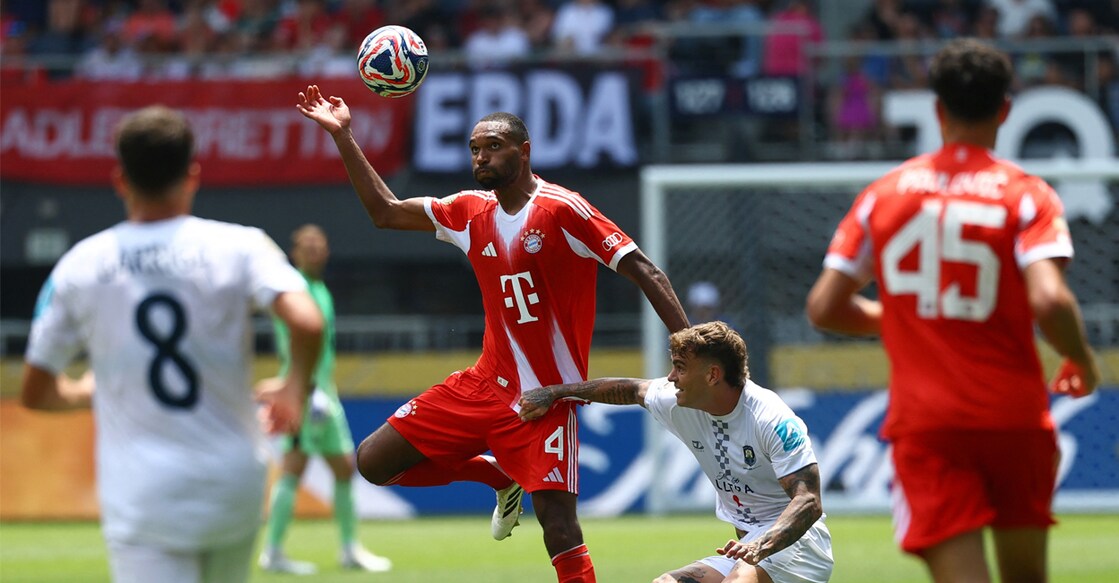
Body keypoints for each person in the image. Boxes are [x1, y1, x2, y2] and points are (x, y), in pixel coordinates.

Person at [296, 84, 689, 583]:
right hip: (482, 385)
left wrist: (689, 348)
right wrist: (344, 136)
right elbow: (386, 211)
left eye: (493, 146)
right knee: (373, 462)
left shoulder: (563, 209)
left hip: (545, 398)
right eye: (475, 149)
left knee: (560, 527)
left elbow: (646, 272)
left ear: (523, 152)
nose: (481, 156)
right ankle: (497, 475)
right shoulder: (468, 210)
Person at [805, 39, 1101, 583]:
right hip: (1015, 419)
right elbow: (1051, 299)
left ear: (936, 108)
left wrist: (904, 319)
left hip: (930, 424)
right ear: (1005, 110)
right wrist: (1081, 357)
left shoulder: (885, 195)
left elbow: (824, 307)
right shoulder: (1026, 194)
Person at [20, 105, 323, 583]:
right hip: (232, 482)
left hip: (143, 497)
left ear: (120, 179)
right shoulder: (241, 245)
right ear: (192, 174)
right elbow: (307, 322)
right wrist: (293, 387)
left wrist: (87, 392)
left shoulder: (81, 265)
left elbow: (35, 391)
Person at [519, 321, 833, 583]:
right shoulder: (675, 400)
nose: (671, 377)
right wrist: (556, 393)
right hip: (750, 547)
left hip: (800, 544)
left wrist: (763, 544)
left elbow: (808, 501)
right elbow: (630, 389)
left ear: (712, 375)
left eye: (680, 368)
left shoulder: (772, 419)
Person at [258, 224, 392, 575]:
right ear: (295, 253)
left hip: (324, 394)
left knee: (345, 469)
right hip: (305, 392)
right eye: (307, 245)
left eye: (320, 245)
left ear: (328, 251)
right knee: (294, 466)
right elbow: (295, 342)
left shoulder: (319, 289)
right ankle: (272, 552)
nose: (315, 251)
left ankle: (350, 549)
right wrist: (306, 388)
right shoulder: (294, 289)